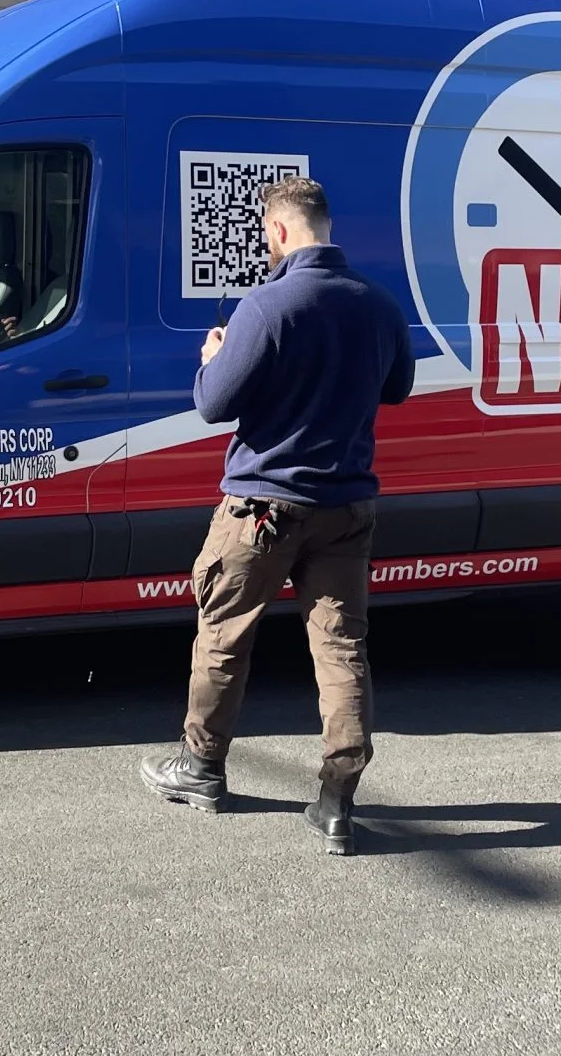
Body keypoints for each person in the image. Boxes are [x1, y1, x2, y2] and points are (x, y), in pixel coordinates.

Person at [139, 174, 415, 855]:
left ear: (283, 231)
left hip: (262, 510)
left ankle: (202, 768)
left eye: (269, 235)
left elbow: (212, 403)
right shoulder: (378, 307)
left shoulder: (265, 308)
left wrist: (212, 357)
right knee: (342, 650)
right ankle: (337, 802)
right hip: (345, 507)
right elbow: (400, 388)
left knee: (225, 635)